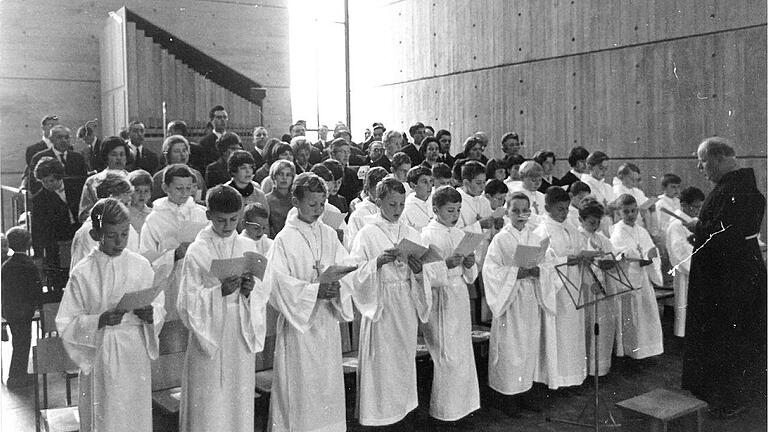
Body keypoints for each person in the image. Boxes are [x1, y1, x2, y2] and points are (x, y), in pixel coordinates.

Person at [56, 198, 165, 432]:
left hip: (134, 351)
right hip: (101, 350)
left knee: (134, 415)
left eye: (124, 234)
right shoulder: (83, 272)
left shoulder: (141, 265)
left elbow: (158, 303)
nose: (119, 241)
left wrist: (151, 314)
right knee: (107, 415)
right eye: (112, 235)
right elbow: (67, 323)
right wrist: (99, 320)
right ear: (96, 234)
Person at [682, 137, 766, 417]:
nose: (699, 166)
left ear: (719, 159)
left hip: (730, 281)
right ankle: (724, 394)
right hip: (729, 275)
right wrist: (703, 230)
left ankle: (730, 397)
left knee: (730, 337)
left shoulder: (739, 190)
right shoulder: (733, 187)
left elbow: (727, 235)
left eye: (703, 161)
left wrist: (699, 226)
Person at [265, 173, 355, 432]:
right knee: (301, 386)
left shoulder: (328, 233)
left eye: (322, 203)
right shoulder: (284, 239)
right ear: (295, 201)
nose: (318, 210)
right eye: (312, 204)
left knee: (326, 384)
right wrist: (314, 290)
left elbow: (346, 266)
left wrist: (337, 286)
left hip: (325, 321)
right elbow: (276, 284)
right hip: (300, 327)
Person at [177, 185, 269, 432]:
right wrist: (219, 292)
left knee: (237, 404)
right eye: (221, 220)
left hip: (239, 334)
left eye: (233, 220)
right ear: (208, 215)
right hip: (210, 338)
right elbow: (186, 303)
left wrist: (250, 291)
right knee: (210, 406)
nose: (228, 226)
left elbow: (262, 293)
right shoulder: (198, 251)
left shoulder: (245, 246)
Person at [350, 177, 432, 427]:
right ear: (378, 202)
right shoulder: (368, 232)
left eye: (400, 205)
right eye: (392, 204)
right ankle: (380, 416)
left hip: (405, 301)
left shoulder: (410, 232)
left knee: (403, 358)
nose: (397, 210)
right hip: (380, 302)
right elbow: (355, 271)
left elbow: (423, 270)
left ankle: (403, 411)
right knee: (382, 361)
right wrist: (377, 263)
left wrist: (418, 270)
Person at [420, 186, 480, 422]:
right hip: (440, 299)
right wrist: (446, 265)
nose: (455, 215)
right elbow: (423, 273)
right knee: (447, 356)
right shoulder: (427, 235)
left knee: (463, 354)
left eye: (457, 210)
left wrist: (469, 263)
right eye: (449, 210)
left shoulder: (459, 234)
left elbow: (471, 276)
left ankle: (463, 410)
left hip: (459, 297)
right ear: (435, 210)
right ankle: (445, 414)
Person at [484, 192, 546, 412]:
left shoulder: (535, 237)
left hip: (529, 297)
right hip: (509, 300)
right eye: (516, 210)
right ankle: (506, 397)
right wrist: (514, 274)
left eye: (525, 211)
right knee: (510, 349)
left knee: (528, 346)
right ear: (507, 212)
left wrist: (540, 271)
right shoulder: (501, 239)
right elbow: (490, 270)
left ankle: (525, 392)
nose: (521, 215)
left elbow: (547, 264)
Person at [534, 187, 587, 389]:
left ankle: (573, 377)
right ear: (547, 208)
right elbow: (543, 261)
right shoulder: (542, 231)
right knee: (560, 334)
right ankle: (558, 379)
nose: (564, 213)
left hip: (573, 284)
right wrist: (567, 259)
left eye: (566, 208)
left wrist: (582, 256)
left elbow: (578, 247)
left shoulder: (570, 226)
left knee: (573, 333)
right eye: (559, 209)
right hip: (556, 288)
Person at [140, 164, 208, 320]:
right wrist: (173, 255)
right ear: (165, 187)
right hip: (171, 285)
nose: (185, 193)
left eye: (188, 188)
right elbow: (146, 258)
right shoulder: (154, 219)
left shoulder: (202, 213)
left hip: (198, 281)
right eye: (179, 189)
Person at [610, 194, 663, 360]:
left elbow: (651, 250)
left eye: (634, 210)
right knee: (632, 317)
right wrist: (638, 258)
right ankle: (631, 351)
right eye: (626, 211)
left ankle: (648, 350)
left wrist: (651, 257)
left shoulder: (641, 230)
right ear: (619, 213)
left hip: (644, 279)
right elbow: (620, 254)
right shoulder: (617, 231)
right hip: (629, 280)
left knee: (647, 313)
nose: (631, 214)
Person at [576, 198, 618, 376]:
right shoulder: (578, 237)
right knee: (586, 326)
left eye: (598, 222)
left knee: (603, 325)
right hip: (585, 288)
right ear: (581, 220)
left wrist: (610, 262)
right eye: (591, 222)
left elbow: (612, 257)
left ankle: (599, 368)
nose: (595, 225)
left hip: (602, 287)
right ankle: (585, 368)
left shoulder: (602, 238)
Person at [70, 173, 141, 270]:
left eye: (126, 204)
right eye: (123, 203)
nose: (124, 209)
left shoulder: (128, 229)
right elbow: (79, 271)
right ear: (109, 198)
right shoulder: (87, 231)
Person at [31, 157, 81, 290]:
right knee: (60, 283)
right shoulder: (38, 200)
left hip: (80, 239)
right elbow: (37, 231)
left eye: (51, 180)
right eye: (44, 182)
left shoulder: (78, 185)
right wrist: (38, 257)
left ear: (59, 176)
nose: (48, 185)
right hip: (57, 246)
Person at [2, 227, 42, 388]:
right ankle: (17, 377)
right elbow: (35, 289)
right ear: (27, 244)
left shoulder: (6, 266)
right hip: (25, 310)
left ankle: (16, 375)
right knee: (23, 343)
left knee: (18, 343)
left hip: (11, 310)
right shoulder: (29, 265)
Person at [665, 187, 704, 338]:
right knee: (685, 306)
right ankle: (684, 340)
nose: (698, 210)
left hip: (699, 270)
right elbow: (679, 254)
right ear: (684, 205)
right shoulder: (676, 225)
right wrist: (698, 267)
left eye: (700, 207)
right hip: (686, 273)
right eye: (695, 207)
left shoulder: (694, 222)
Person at [78, 135, 129, 222]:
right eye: (114, 154)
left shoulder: (133, 179)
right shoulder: (92, 181)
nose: (119, 158)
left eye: (122, 154)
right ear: (106, 157)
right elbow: (83, 215)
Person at [30, 124, 88, 198]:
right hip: (49, 201)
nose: (63, 140)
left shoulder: (78, 157)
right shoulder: (39, 157)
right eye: (59, 137)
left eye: (66, 137)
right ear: (51, 139)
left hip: (75, 201)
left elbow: (83, 181)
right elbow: (34, 185)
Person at [151, 135, 207, 204]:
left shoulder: (197, 174)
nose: (182, 154)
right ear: (168, 155)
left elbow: (204, 198)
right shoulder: (159, 177)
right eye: (177, 151)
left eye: (184, 150)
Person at [345, 167, 388, 249]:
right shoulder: (358, 215)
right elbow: (354, 247)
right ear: (367, 188)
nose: (382, 194)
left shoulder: (392, 209)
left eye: (385, 190)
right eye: (378, 189)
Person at [506, 161, 546, 228]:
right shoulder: (515, 196)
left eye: (540, 180)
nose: (537, 183)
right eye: (533, 180)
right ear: (522, 178)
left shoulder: (542, 196)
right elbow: (516, 215)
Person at [265, 160, 296, 238]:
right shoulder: (266, 200)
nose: (284, 178)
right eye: (280, 174)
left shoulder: (296, 200)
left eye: (288, 175)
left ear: (292, 178)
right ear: (273, 176)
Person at [401, 166, 434, 232]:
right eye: (424, 182)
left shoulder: (436, 199)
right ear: (413, 185)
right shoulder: (407, 207)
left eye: (430, 181)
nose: (429, 185)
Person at [199, 105, 229, 171]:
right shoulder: (204, 142)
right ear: (212, 121)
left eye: (225, 117)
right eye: (219, 117)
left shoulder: (233, 138)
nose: (223, 120)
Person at [127, 170, 153, 236]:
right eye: (137, 190)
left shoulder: (153, 214)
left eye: (146, 191)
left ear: (150, 194)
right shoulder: (124, 214)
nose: (142, 195)